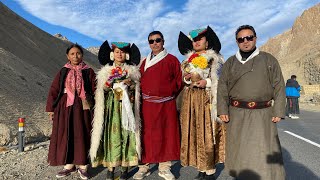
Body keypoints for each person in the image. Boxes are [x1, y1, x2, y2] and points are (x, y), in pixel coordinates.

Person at [217, 25, 286, 180]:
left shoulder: (268, 59)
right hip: (237, 114)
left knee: (264, 151)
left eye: (249, 37)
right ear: (237, 42)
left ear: (256, 38)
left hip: (263, 114)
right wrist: (222, 110)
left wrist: (279, 110)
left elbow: (279, 85)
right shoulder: (230, 62)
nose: (245, 41)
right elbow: (222, 87)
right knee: (240, 151)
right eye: (241, 39)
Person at [133, 31, 183, 180]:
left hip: (166, 104)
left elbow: (179, 81)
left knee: (166, 134)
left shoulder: (172, 60)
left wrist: (167, 92)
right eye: (151, 41)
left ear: (163, 41)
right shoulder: (143, 62)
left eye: (157, 40)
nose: (154, 43)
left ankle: (164, 167)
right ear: (149, 43)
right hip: (147, 105)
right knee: (146, 134)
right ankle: (144, 166)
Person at [178, 26, 225, 180]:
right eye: (194, 40)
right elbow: (184, 80)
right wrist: (187, 77)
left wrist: (207, 82)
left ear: (207, 42)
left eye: (200, 39)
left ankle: (210, 169)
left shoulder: (215, 59)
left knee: (208, 134)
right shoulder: (187, 60)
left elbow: (222, 80)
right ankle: (201, 167)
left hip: (208, 100)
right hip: (191, 100)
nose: (197, 42)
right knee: (196, 133)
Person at [89, 41, 141, 180]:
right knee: (112, 137)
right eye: (117, 52)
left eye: (122, 52)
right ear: (112, 54)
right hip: (112, 109)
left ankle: (124, 168)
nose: (119, 54)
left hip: (126, 108)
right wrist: (108, 84)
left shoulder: (132, 72)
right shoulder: (105, 71)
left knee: (126, 135)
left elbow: (137, 90)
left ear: (127, 55)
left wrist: (130, 84)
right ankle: (111, 168)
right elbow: (101, 91)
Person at [46, 43, 96, 180]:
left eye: (78, 53)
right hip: (65, 107)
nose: (75, 56)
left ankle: (83, 165)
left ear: (82, 55)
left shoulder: (88, 71)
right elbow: (54, 89)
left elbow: (95, 89)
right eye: (72, 54)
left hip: (83, 107)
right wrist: (51, 108)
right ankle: (69, 165)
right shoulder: (63, 71)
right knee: (66, 133)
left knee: (82, 133)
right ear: (67, 56)